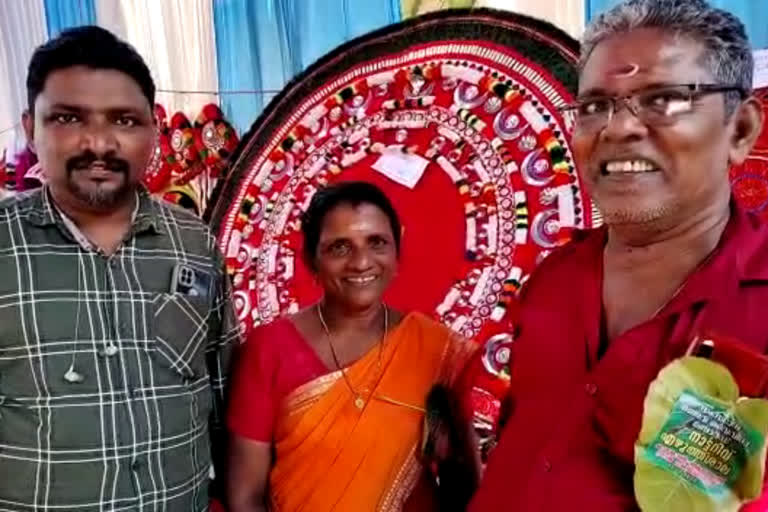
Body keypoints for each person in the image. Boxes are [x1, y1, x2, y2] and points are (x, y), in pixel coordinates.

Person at [469, 0, 768, 510]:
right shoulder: (552, 280)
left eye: (665, 99)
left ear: (739, 130)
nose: (618, 128)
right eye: (594, 106)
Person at [0, 26, 238, 511]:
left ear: (152, 128)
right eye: (68, 118)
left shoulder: (194, 243)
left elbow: (223, 393)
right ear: (30, 128)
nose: (100, 142)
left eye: (124, 121)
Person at [226, 181, 476, 511]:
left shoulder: (437, 351)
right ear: (311, 260)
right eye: (339, 247)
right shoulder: (268, 349)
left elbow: (466, 486)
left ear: (397, 251)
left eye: (377, 243)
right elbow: (244, 496)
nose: (361, 263)